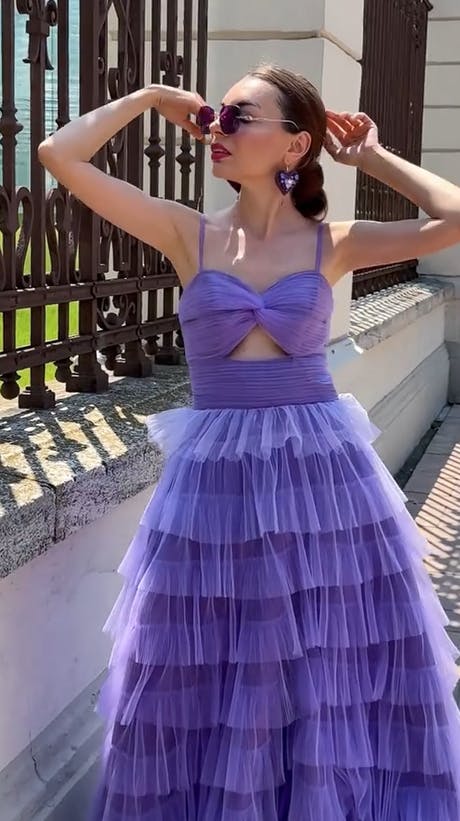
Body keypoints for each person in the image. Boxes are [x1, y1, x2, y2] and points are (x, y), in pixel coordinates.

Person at [38, 64, 460, 820]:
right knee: (206, 662)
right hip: (215, 484)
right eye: (215, 115)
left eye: (238, 117)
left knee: (321, 665)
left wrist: (372, 157)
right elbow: (58, 155)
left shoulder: (334, 242)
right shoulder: (187, 232)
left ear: (295, 145)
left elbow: (454, 217)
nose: (215, 130)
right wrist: (151, 99)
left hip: (323, 480)